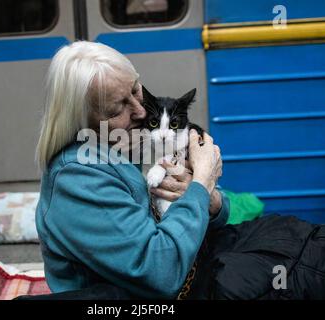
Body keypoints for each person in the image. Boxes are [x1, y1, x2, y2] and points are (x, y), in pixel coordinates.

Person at [34, 41, 230, 299]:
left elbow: (219, 210)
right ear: (81, 120)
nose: (139, 111)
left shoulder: (125, 141)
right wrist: (202, 184)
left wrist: (211, 200)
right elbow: (161, 273)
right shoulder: (78, 177)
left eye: (135, 90)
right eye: (117, 108)